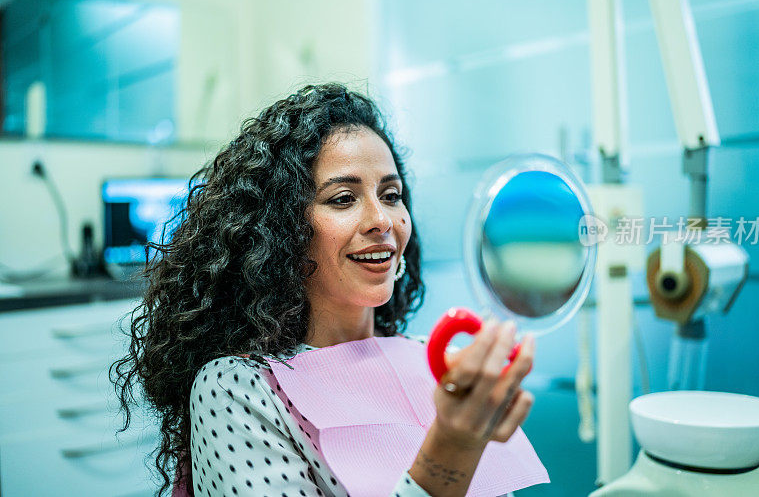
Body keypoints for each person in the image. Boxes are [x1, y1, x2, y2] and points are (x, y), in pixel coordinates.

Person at [111, 83, 537, 497]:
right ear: (280, 232)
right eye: (342, 199)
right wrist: (451, 450)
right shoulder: (237, 388)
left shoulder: (434, 365)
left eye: (391, 195)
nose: (382, 220)